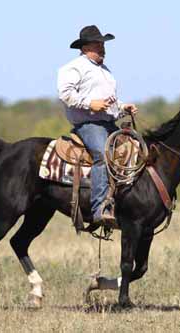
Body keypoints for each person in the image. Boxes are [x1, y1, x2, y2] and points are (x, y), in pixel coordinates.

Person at [57, 25, 138, 226]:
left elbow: (109, 103)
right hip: (88, 124)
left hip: (108, 122)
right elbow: (65, 94)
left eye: (102, 44)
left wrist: (122, 108)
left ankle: (126, 202)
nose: (102, 48)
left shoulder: (105, 71)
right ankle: (100, 207)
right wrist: (89, 104)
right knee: (102, 155)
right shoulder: (73, 67)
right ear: (85, 48)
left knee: (135, 150)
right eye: (97, 44)